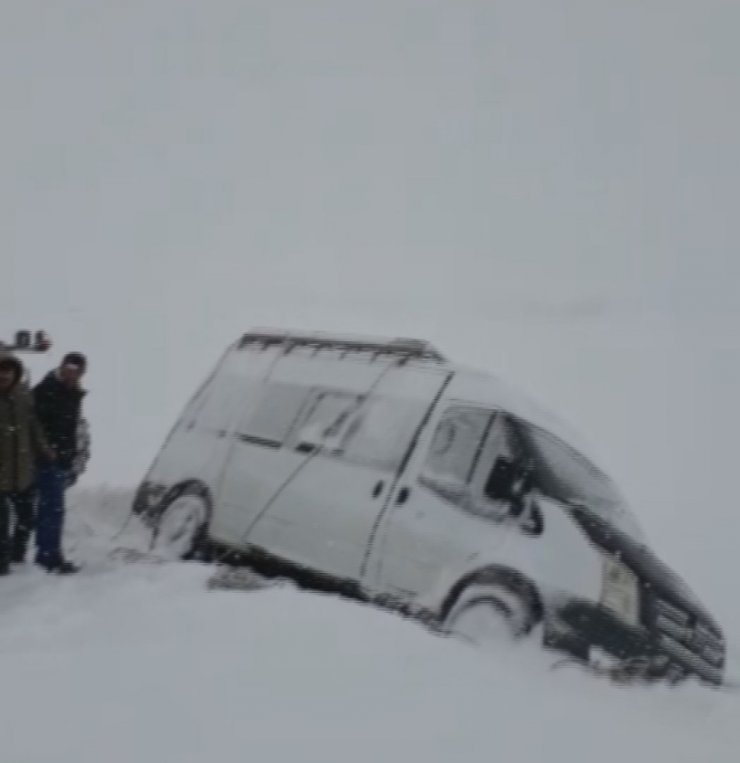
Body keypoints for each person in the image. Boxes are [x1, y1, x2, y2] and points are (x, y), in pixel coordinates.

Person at [33, 352, 89, 573]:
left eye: (77, 370)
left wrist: (74, 457)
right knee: (51, 509)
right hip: (46, 460)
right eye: (70, 368)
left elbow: (72, 428)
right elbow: (34, 424)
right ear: (62, 367)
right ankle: (48, 557)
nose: (72, 373)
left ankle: (48, 553)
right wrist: (47, 450)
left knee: (52, 509)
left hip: (62, 459)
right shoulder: (46, 390)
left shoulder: (72, 393)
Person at [0, 354, 53, 574]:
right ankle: (2, 564)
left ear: (15, 373)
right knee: (1, 523)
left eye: (8, 371)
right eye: (1, 371)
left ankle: (17, 555)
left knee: (26, 518)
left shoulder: (24, 395)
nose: (4, 375)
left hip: (22, 471)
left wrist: (44, 448)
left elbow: (33, 426)